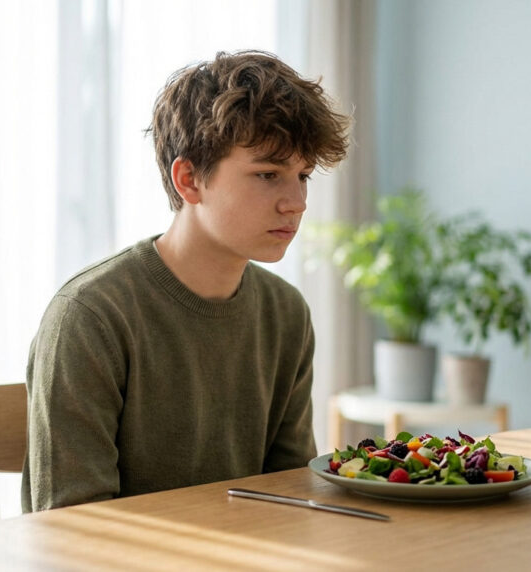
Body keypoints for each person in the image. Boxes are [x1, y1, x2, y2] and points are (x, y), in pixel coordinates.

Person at [22, 50, 351, 512]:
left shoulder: (286, 312)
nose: (296, 202)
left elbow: (289, 497)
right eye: (268, 174)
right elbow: (73, 527)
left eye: (303, 176)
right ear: (189, 179)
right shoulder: (90, 316)